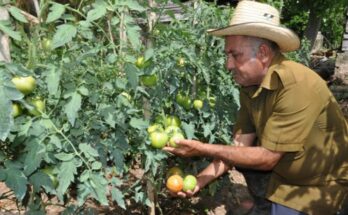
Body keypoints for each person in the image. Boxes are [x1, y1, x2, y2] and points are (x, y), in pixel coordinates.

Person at [163, 1, 348, 215]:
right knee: (240, 158)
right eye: (227, 55)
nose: (228, 65)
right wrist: (199, 181)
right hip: (283, 174)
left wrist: (202, 148)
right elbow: (240, 146)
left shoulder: (296, 84)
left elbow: (267, 158)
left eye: (235, 55)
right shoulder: (250, 86)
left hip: (318, 185)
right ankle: (264, 202)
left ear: (262, 53)